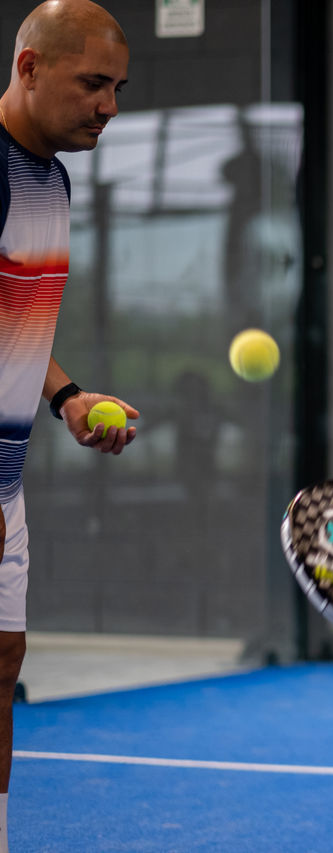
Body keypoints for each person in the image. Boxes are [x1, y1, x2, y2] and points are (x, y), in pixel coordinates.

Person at [0, 2, 134, 848]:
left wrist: (66, 395)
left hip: (7, 478)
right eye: (93, 83)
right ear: (28, 68)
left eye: (118, 88)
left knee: (4, 668)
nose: (109, 107)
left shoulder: (49, 177)